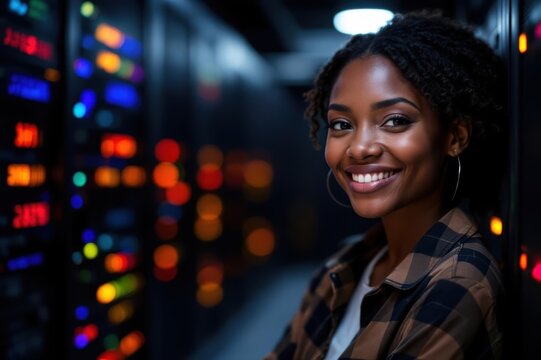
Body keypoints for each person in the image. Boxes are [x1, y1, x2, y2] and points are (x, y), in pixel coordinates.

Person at [265, 10, 507, 360]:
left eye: (395, 120)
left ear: (455, 137)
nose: (360, 147)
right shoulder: (344, 264)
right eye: (342, 124)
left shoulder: (457, 284)